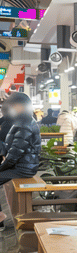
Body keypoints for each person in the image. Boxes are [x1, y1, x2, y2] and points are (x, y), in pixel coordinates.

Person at [0, 93, 41, 224]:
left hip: (24, 168)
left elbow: (15, 153)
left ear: (22, 106)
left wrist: (2, 166)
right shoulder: (22, 121)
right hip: (22, 165)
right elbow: (11, 148)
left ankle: (0, 216)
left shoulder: (24, 123)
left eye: (13, 105)